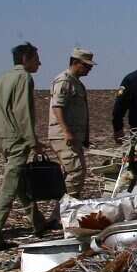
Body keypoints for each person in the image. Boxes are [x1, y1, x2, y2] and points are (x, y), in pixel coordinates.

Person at [0, 42, 48, 251]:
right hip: (17, 140)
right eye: (36, 59)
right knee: (9, 187)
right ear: (26, 59)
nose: (39, 63)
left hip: (4, 139)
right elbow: (23, 112)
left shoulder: (2, 78)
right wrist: (33, 142)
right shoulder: (24, 77)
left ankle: (38, 222)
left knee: (19, 181)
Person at [48, 48, 94, 209]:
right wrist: (66, 131)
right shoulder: (64, 81)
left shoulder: (76, 82)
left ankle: (61, 212)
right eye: (86, 66)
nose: (89, 69)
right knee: (75, 173)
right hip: (64, 136)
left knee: (72, 173)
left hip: (74, 136)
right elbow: (57, 107)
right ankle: (64, 211)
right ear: (75, 63)